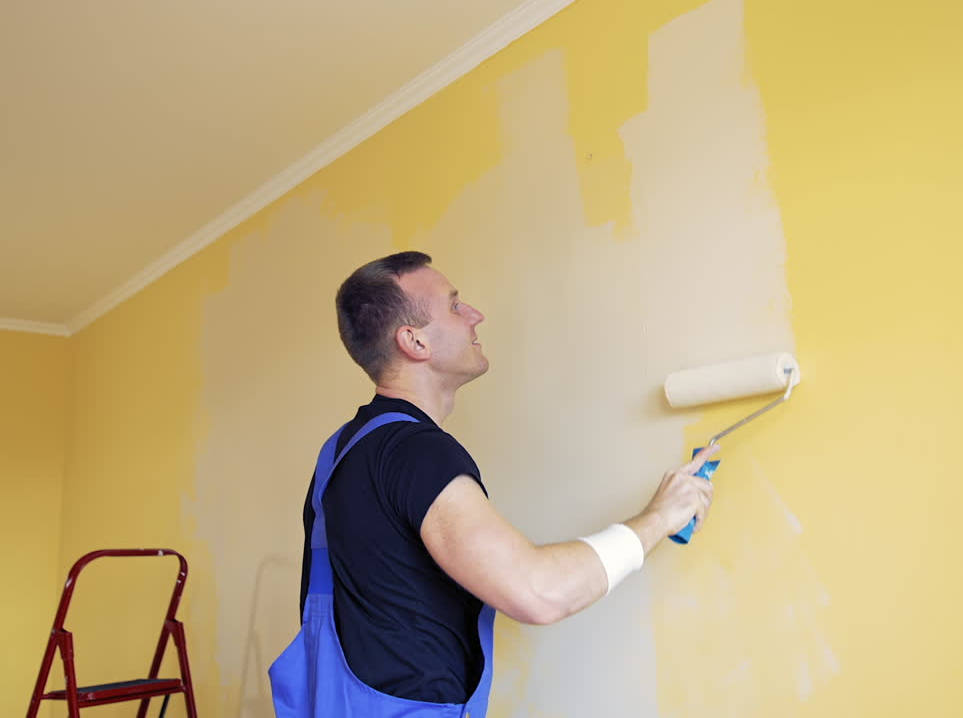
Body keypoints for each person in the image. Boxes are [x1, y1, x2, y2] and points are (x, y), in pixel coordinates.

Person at [269, 251, 717, 718]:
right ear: (414, 341)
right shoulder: (414, 451)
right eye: (455, 305)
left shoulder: (340, 453)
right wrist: (659, 518)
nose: (475, 316)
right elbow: (538, 591)